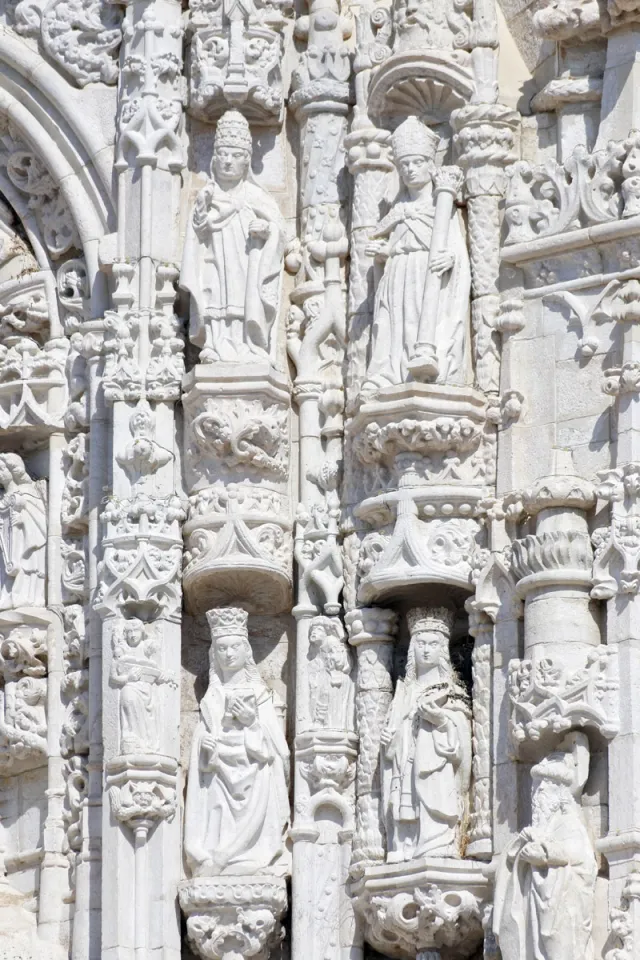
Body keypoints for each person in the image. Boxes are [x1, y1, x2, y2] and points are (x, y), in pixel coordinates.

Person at [363, 116, 470, 393]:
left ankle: (424, 369)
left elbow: (456, 250)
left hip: (427, 272)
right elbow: (397, 242)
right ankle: (388, 372)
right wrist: (384, 252)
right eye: (404, 164)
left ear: (431, 166)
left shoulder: (442, 209)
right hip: (398, 274)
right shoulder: (396, 211)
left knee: (420, 320)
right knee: (391, 322)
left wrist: (452, 260)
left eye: (417, 162)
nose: (410, 170)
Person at [184, 607, 290, 877]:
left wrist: (251, 723)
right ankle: (216, 855)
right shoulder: (212, 698)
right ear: (214, 654)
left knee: (265, 775)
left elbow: (278, 751)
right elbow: (202, 743)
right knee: (215, 797)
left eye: (234, 648)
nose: (228, 654)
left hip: (255, 775)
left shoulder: (262, 695)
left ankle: (251, 855)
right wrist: (205, 749)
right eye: (221, 648)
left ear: (246, 652)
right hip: (219, 778)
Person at [180, 109, 285, 364]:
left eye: (236, 155)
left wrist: (267, 230)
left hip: (246, 263)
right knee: (215, 298)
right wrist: (203, 211)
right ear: (214, 159)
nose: (228, 161)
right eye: (223, 154)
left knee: (243, 299)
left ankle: (249, 345)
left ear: (246, 161)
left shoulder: (256, 196)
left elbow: (279, 230)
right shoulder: (208, 194)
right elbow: (196, 235)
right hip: (215, 263)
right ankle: (215, 344)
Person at [494, 731, 597, 960]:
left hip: (561, 912)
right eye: (536, 787)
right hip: (537, 911)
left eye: (544, 788)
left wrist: (545, 855)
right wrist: (521, 848)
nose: (537, 793)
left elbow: (581, 858)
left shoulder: (569, 822)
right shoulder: (544, 827)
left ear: (559, 793)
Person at [381, 606, 471, 861]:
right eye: (420, 643)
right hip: (405, 765)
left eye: (433, 643)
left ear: (443, 649)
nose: (426, 649)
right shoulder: (403, 692)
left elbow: (461, 733)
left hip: (436, 768)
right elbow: (395, 732)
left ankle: (438, 842)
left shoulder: (451, 690)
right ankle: (405, 843)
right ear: (412, 648)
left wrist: (440, 720)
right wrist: (390, 742)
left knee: (435, 800)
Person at [0, 454, 47, 610]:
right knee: (8, 569)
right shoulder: (3, 498)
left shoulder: (27, 492)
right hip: (8, 547)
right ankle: (8, 596)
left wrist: (22, 520)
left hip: (28, 543)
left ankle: (29, 598)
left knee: (28, 567)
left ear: (13, 471)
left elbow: (39, 519)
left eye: (2, 469)